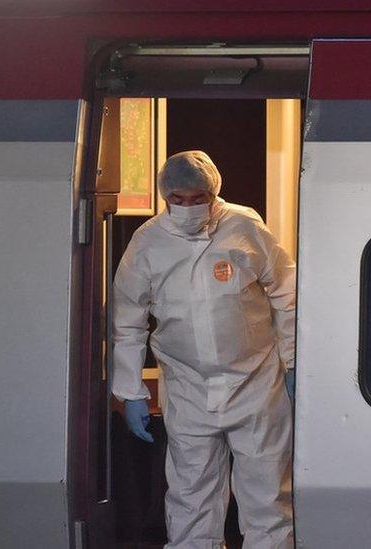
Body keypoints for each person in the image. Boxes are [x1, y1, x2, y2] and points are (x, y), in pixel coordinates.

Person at [112, 150, 296, 549]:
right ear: (165, 197)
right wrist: (130, 392)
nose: (189, 207)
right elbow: (127, 321)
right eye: (178, 200)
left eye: (199, 199)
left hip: (257, 383)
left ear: (215, 193)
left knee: (268, 501)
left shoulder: (244, 225)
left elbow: (286, 292)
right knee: (191, 499)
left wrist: (295, 363)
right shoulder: (148, 242)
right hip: (189, 387)